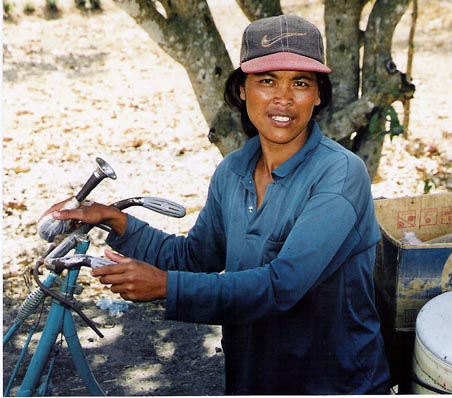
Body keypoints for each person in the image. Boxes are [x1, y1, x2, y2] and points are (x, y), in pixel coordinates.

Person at [43, 14, 392, 395]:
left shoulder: (340, 174)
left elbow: (283, 286)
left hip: (333, 382)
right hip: (253, 376)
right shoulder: (234, 171)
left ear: (319, 95)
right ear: (242, 90)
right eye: (267, 81)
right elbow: (197, 256)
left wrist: (166, 287)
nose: (284, 98)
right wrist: (114, 220)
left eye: (301, 83)